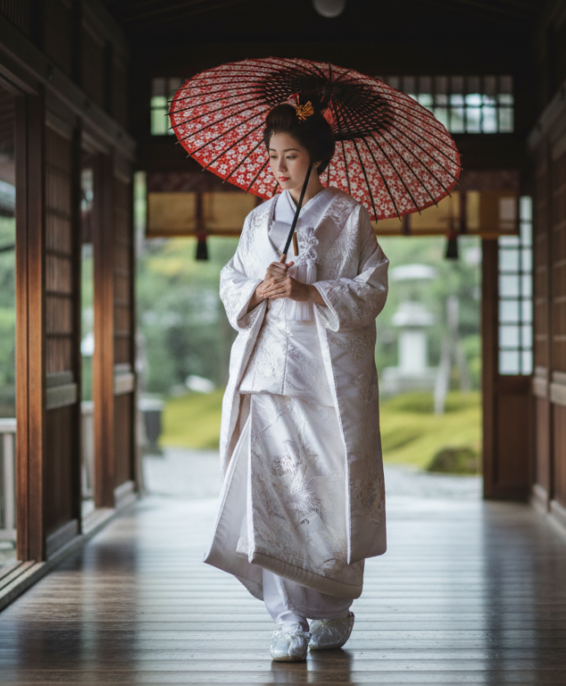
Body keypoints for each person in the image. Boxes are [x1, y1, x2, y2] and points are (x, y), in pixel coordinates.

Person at [205, 94, 390, 662]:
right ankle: (285, 617)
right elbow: (232, 279)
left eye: (290, 155)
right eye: (273, 155)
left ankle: (331, 608)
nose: (278, 166)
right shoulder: (258, 220)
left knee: (323, 492)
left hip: (323, 377)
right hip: (266, 371)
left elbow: (374, 285)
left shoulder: (349, 216)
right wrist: (260, 288)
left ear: (317, 156)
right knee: (271, 491)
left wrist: (310, 291)